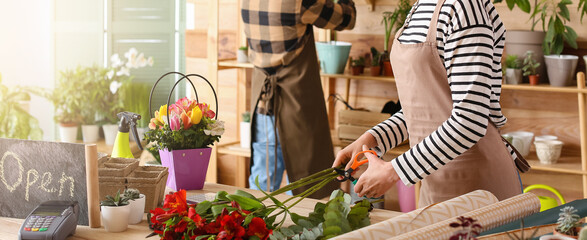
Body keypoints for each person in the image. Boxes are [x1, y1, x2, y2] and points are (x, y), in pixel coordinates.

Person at [333, 0, 523, 206]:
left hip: (478, 190)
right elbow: (425, 110)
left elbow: (470, 120)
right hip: (434, 185)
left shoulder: (465, 8)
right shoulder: (421, 6)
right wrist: (371, 140)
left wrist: (393, 171)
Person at [241, 0, 357, 197]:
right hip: (297, 108)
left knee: (262, 188)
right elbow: (347, 18)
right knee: (306, 188)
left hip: (263, 105)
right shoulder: (302, 2)